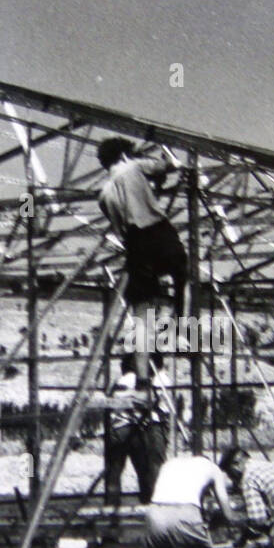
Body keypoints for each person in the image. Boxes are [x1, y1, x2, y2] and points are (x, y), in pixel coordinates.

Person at [97, 137, 187, 381]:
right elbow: (167, 165)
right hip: (157, 232)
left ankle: (140, 374)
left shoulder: (104, 194)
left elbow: (124, 213)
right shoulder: (133, 167)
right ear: (124, 156)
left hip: (134, 246)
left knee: (142, 311)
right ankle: (182, 332)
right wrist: (164, 161)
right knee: (183, 277)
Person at [100, 357, 171, 510]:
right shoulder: (157, 378)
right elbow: (146, 399)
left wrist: (128, 396)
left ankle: (111, 506)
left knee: (115, 471)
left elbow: (118, 397)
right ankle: (151, 504)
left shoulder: (125, 379)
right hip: (144, 426)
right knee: (148, 469)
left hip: (122, 426)